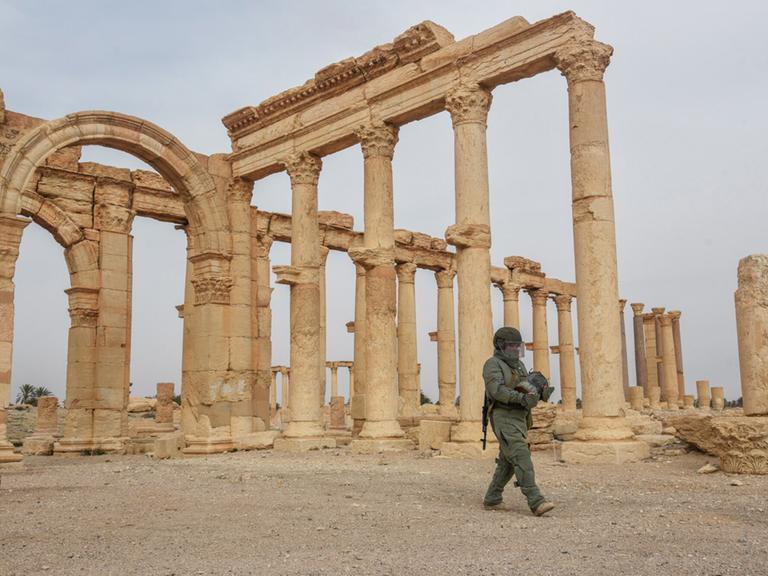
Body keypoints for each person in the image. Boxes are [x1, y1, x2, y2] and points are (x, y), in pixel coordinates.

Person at [482, 326, 555, 516]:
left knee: (508, 461)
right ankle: (536, 500)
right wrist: (521, 398)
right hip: (503, 415)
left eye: (517, 346)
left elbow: (525, 386)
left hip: (520, 417)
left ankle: (492, 498)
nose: (515, 350)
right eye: (511, 346)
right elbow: (496, 390)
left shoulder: (519, 365)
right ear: (500, 346)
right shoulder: (493, 364)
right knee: (521, 454)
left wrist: (540, 390)